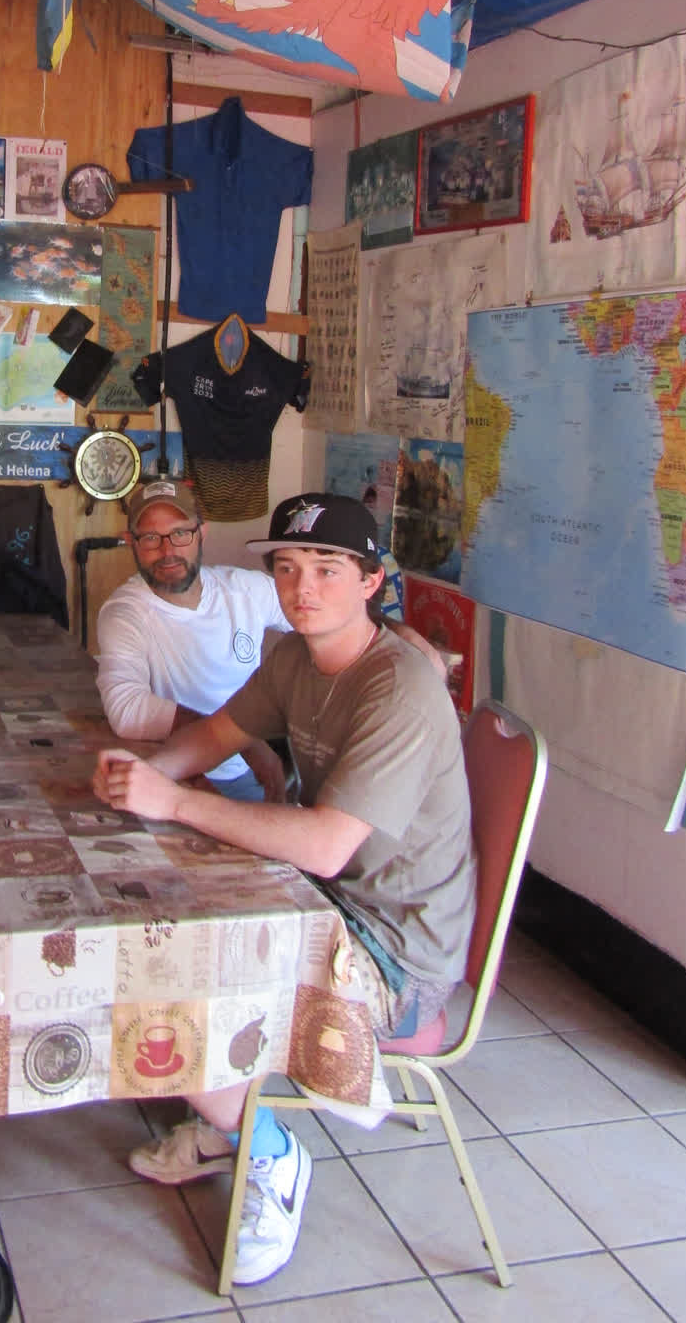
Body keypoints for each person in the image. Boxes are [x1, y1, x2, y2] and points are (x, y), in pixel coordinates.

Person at [92, 492, 476, 1287]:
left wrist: (175, 802)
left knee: (160, 987)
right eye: (290, 568)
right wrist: (146, 773)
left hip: (396, 950)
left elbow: (330, 846)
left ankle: (268, 1149)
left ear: (370, 582)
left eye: (328, 569)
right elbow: (217, 734)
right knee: (142, 929)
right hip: (322, 901)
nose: (304, 588)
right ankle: (226, 1117)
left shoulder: (399, 686)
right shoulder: (296, 657)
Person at [94, 478, 289, 804]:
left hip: (246, 772)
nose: (168, 551)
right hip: (177, 773)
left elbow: (326, 620)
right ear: (131, 542)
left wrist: (399, 637)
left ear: (202, 532)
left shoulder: (245, 590)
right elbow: (126, 710)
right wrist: (241, 740)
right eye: (151, 537)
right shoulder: (125, 613)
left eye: (181, 533)